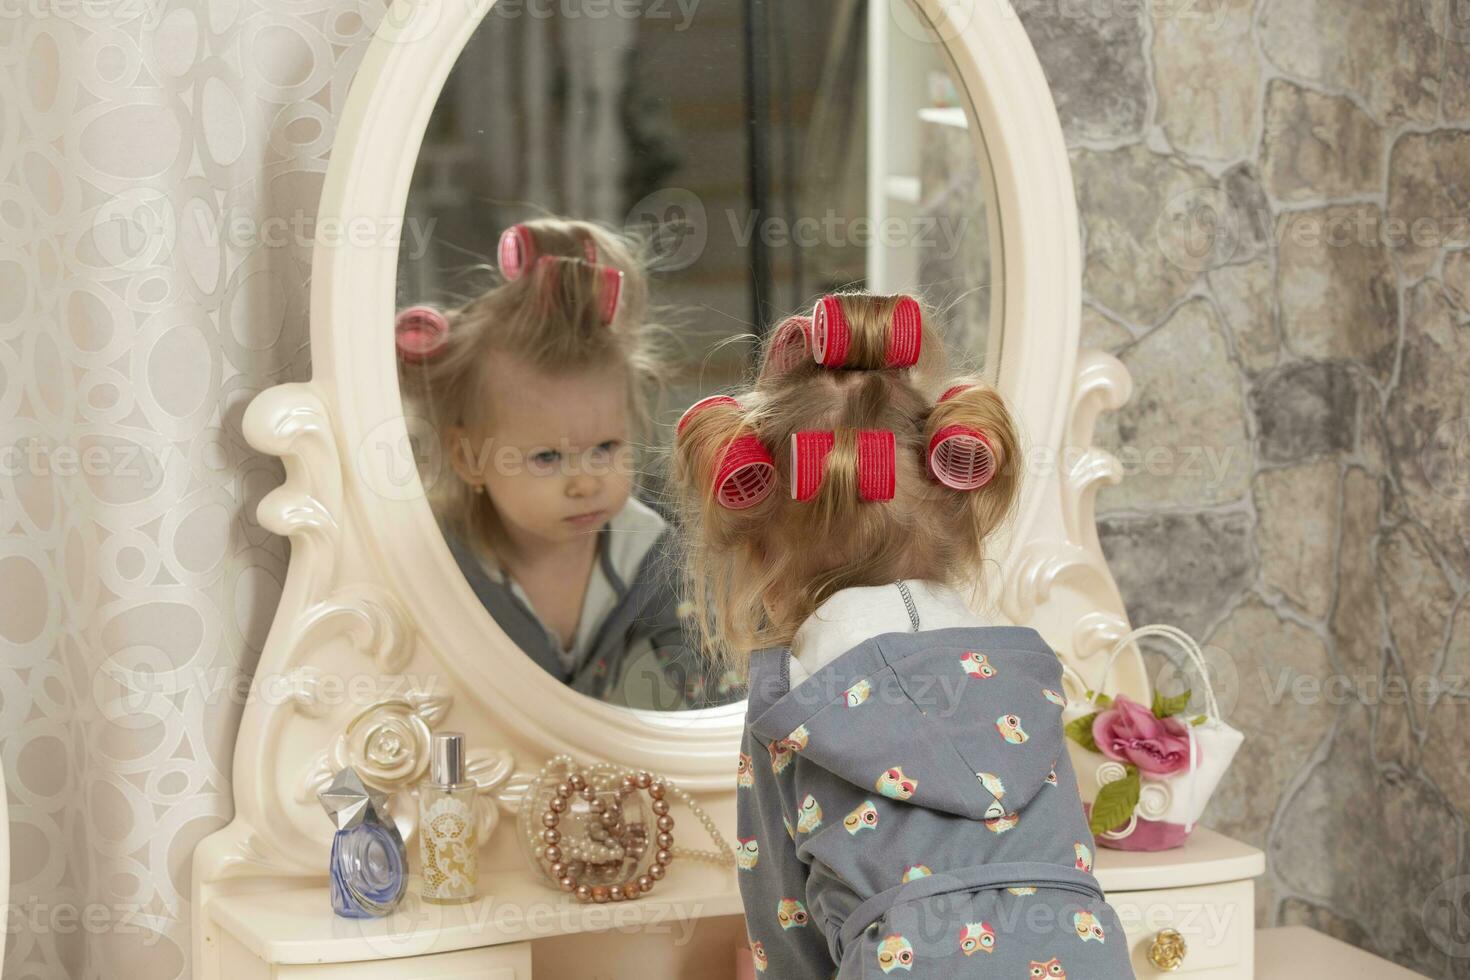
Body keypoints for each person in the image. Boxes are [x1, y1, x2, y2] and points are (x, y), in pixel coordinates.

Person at [671, 292, 1136, 977]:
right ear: (960, 515)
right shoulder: (1028, 678)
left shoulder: (792, 705)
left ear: (760, 548)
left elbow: (786, 926)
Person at [397, 217, 743, 710]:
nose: (585, 482)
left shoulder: (645, 552)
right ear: (467, 456)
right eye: (547, 457)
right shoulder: (440, 559)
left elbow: (722, 696)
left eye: (605, 448)